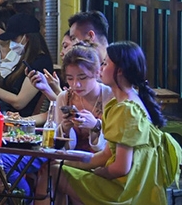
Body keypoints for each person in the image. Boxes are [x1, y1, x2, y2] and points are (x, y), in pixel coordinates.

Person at [57, 42, 181, 204]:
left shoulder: (126, 109)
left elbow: (121, 167)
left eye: (106, 63)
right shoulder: (122, 102)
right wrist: (65, 162)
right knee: (55, 168)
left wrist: (95, 174)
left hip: (125, 189)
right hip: (126, 181)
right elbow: (106, 154)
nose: (101, 68)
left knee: (52, 172)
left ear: (120, 71)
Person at [32, 45, 114, 153]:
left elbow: (114, 146)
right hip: (69, 159)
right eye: (70, 78)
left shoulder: (111, 96)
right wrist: (65, 129)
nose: (76, 84)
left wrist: (96, 125)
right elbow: (57, 147)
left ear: (97, 72)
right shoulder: (64, 97)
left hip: (101, 162)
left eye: (82, 77)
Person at [0, 13, 53, 117]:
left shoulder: (40, 62)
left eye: (14, 39)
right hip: (6, 112)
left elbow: (19, 102)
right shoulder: (25, 58)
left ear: (26, 37)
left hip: (17, 117)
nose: (12, 44)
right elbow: (11, 89)